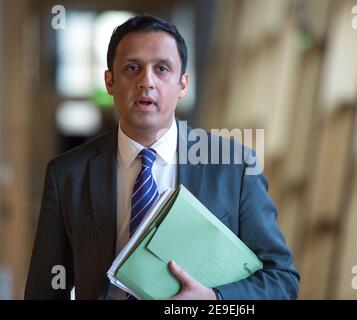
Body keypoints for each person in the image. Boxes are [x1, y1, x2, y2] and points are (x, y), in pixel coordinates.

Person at [25, 15, 299, 300]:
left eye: (162, 69)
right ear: (110, 81)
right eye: (132, 68)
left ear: (183, 84)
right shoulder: (68, 175)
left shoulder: (234, 167)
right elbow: (44, 289)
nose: (147, 82)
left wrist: (215, 300)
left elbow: (282, 281)